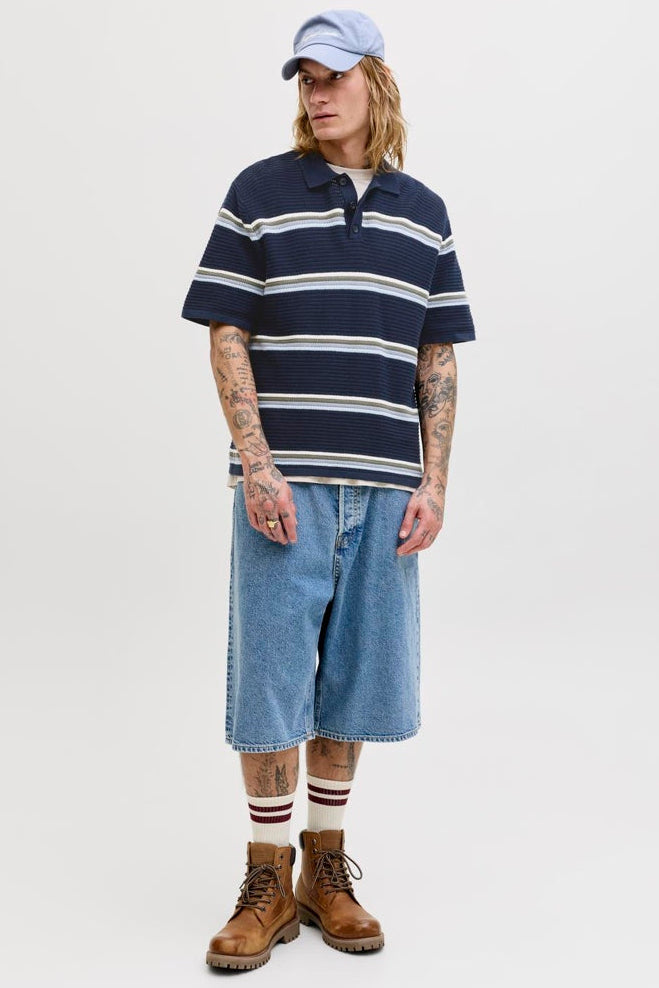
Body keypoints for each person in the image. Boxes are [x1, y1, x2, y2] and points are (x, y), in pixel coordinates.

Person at [181, 8, 476, 971]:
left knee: (354, 683)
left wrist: (435, 481)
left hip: (387, 490)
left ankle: (325, 867)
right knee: (270, 682)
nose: (315, 93)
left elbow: (437, 353)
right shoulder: (259, 192)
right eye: (304, 78)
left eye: (332, 75)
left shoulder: (424, 210)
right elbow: (226, 330)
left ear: (374, 81)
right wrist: (257, 462)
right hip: (287, 486)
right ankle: (265, 876)